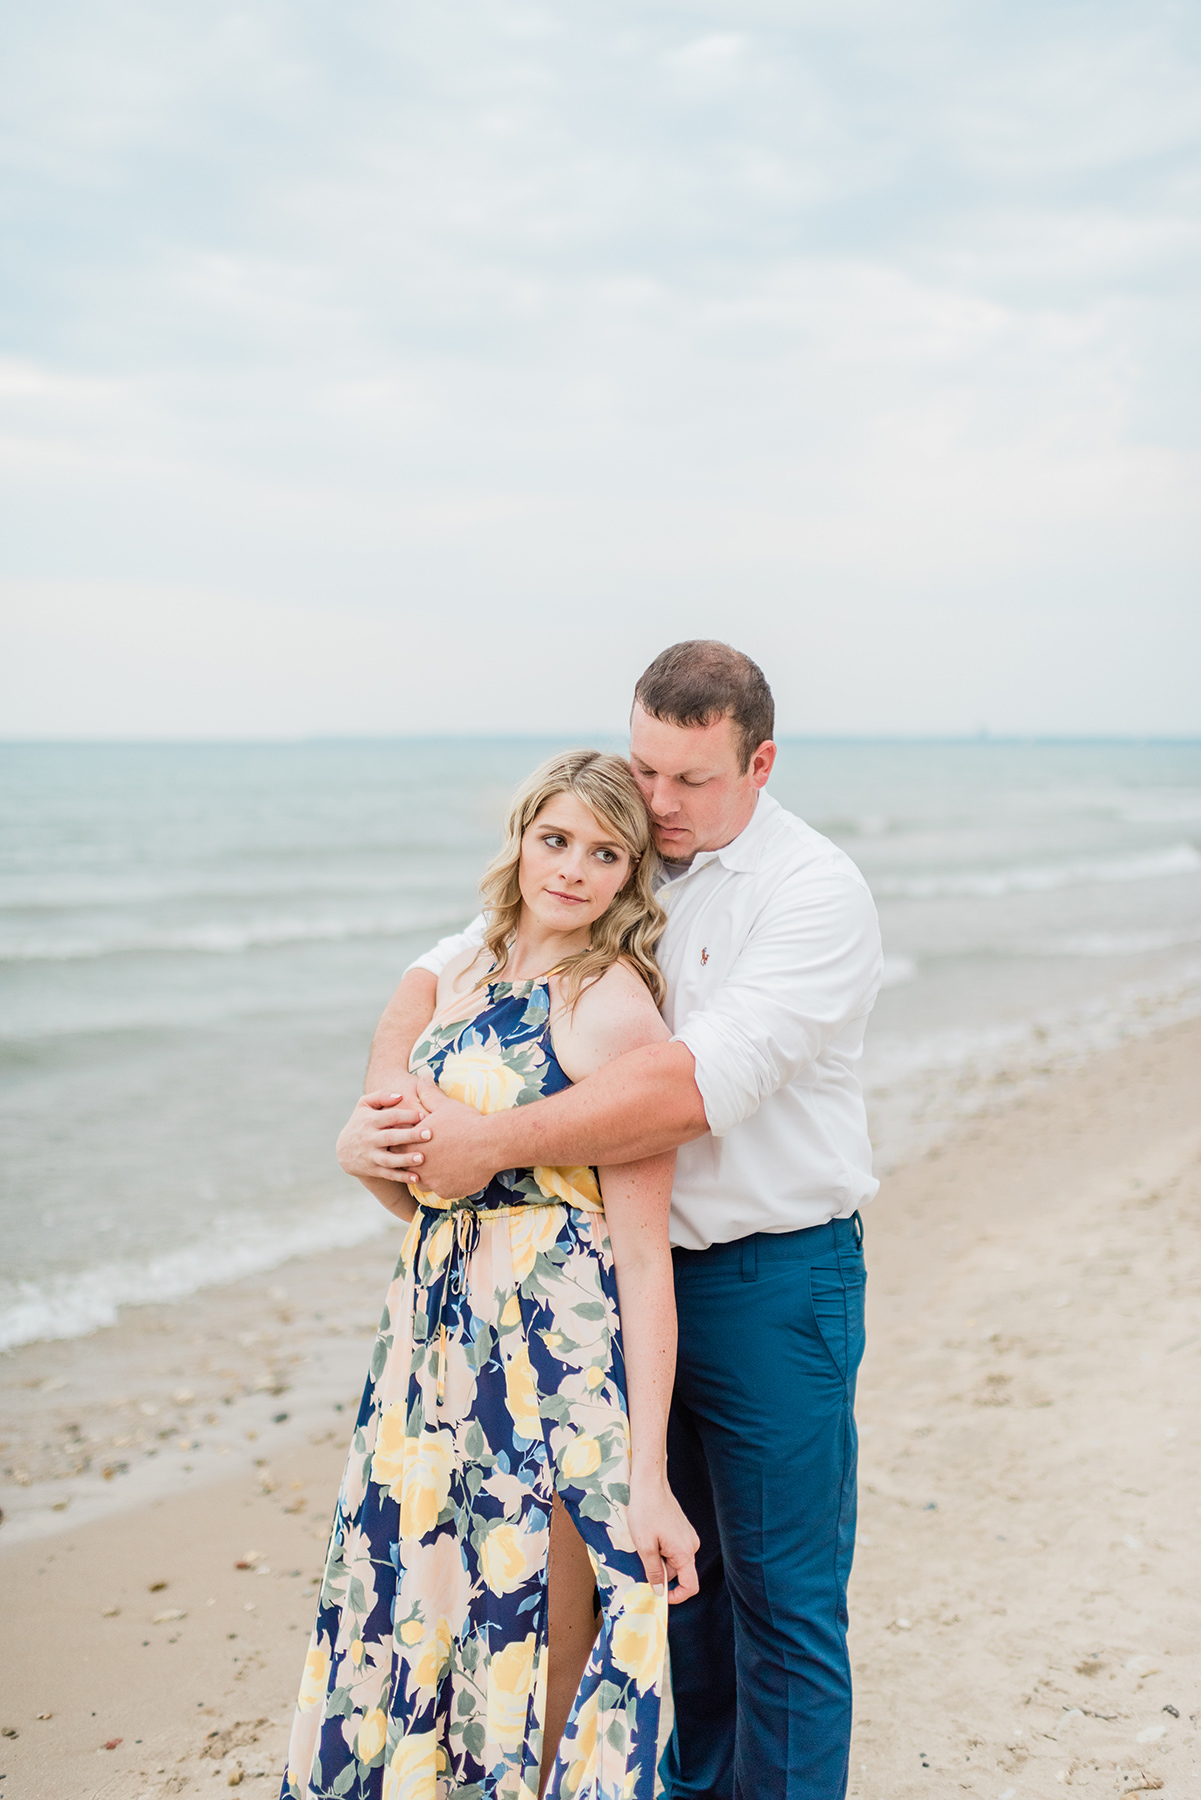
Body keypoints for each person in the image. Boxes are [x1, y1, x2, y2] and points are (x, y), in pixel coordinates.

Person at [341, 642, 884, 1800]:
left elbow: (680, 1092)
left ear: (759, 763)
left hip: (772, 1280)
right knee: (673, 1598)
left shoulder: (813, 893)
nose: (661, 803)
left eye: (692, 780)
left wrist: (482, 1144)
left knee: (780, 1605)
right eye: (646, 769)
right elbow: (443, 969)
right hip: (609, 1298)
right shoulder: (625, 858)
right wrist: (381, 1103)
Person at [282, 749, 700, 1800]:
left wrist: (648, 1471)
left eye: (606, 853)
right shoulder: (459, 974)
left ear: (629, 874)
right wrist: (357, 1159)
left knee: (541, 1623)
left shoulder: (613, 1007)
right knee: (427, 1598)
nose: (572, 870)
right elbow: (425, 1195)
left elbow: (644, 1255)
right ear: (520, 838)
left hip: (549, 1355)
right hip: (430, 1335)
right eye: (555, 840)